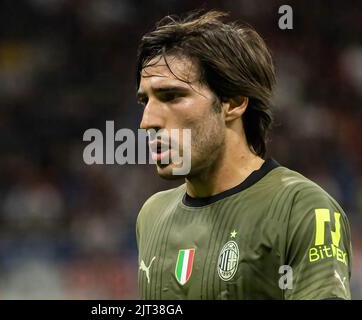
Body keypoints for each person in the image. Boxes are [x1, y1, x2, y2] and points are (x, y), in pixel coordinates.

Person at [135, 10, 351, 299]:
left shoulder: (302, 208)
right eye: (145, 100)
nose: (147, 121)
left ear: (233, 103)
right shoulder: (152, 215)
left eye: (171, 96)